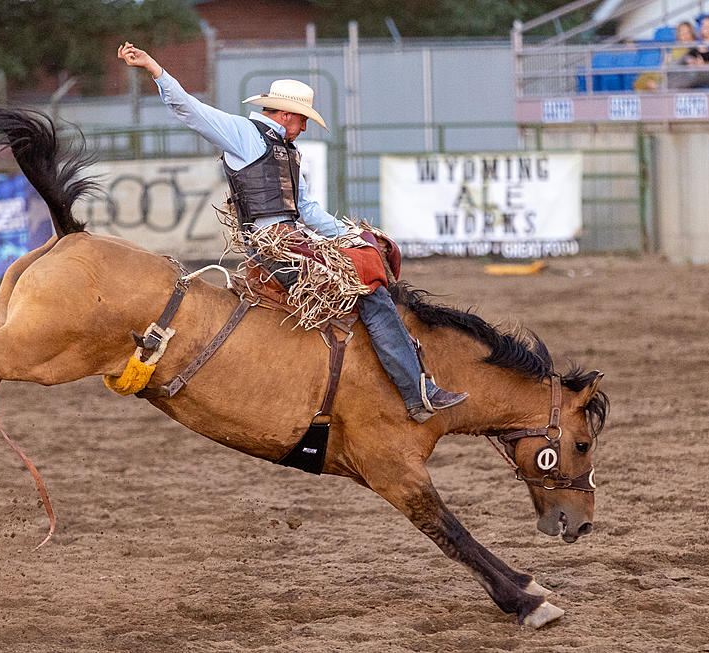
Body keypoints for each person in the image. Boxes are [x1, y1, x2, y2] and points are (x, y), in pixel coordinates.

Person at [117, 41, 468, 422]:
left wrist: (351, 234)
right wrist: (155, 68)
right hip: (272, 246)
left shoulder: (286, 150)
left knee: (365, 273)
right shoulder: (245, 134)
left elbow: (306, 210)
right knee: (369, 290)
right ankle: (417, 393)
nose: (303, 128)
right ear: (286, 115)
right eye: (302, 120)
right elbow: (190, 109)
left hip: (290, 242)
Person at [636, 21, 696, 91]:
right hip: (667, 71)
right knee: (643, 79)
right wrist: (665, 62)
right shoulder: (676, 47)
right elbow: (667, 61)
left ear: (691, 33)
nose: (683, 35)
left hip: (679, 74)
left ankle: (658, 88)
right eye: (681, 32)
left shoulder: (694, 48)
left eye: (686, 32)